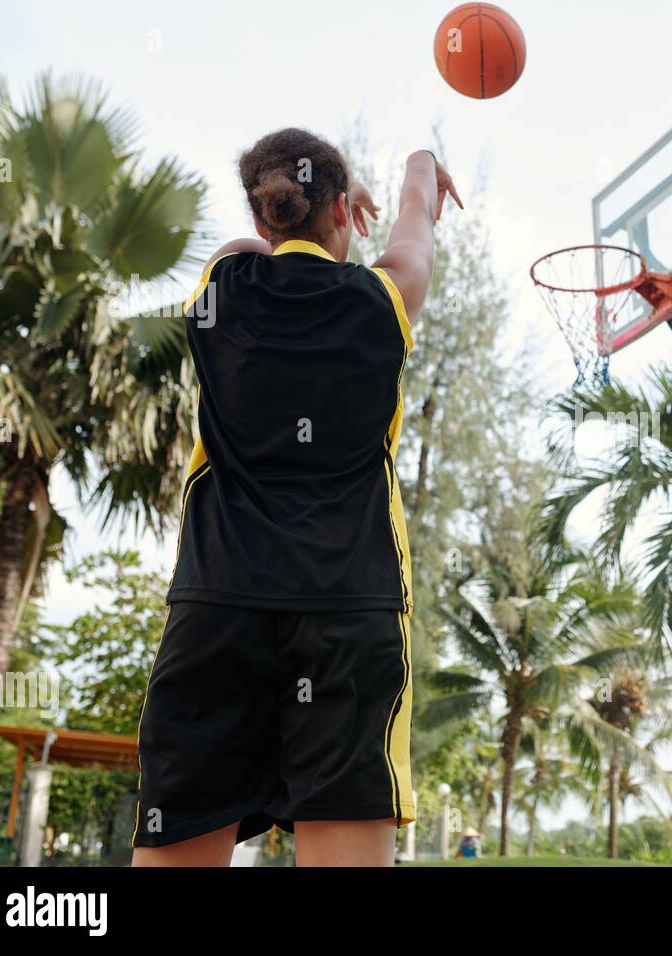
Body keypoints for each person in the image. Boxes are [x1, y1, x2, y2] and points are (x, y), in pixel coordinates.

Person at [130, 127, 461, 867]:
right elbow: (416, 228)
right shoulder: (385, 297)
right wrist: (417, 168)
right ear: (344, 211)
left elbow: (246, 249)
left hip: (216, 605)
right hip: (348, 609)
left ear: (261, 217)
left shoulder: (219, 291)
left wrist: (299, 220)